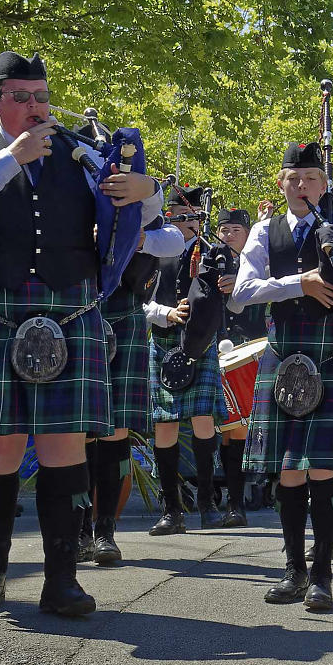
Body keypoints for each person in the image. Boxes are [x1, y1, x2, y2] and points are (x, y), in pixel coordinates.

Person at [0, 48, 163, 618]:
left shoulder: (81, 151)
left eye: (42, 97)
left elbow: (146, 214)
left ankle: (62, 581)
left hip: (68, 313)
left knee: (63, 449)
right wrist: (10, 157)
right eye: (22, 98)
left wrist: (145, 191)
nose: (36, 108)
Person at [228, 142, 333, 612]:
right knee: (287, 470)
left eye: (311, 179)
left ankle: (322, 575)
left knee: (322, 469)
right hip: (285, 355)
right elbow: (242, 291)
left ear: (324, 184)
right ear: (281, 184)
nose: (302, 186)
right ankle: (293, 569)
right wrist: (300, 284)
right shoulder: (263, 230)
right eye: (293, 179)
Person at [84, 219, 185, 564]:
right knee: (78, 431)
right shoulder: (73, 190)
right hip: (76, 304)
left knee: (116, 430)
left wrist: (138, 233)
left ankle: (105, 531)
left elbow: (173, 238)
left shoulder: (142, 203)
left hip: (124, 307)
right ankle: (82, 529)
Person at [145, 186, 230, 535]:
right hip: (164, 342)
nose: (189, 222)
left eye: (194, 216)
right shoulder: (152, 250)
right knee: (163, 425)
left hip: (200, 344)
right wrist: (167, 312)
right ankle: (171, 510)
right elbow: (139, 302)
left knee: (203, 421)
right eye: (182, 215)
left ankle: (208, 504)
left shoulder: (211, 252)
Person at [213, 208, 265, 526]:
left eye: (236, 229)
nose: (229, 234)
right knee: (221, 429)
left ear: (247, 234)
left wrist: (241, 283)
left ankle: (239, 500)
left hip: (249, 350)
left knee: (242, 426)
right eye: (224, 229)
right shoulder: (208, 261)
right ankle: (220, 497)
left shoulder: (258, 263)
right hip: (216, 350)